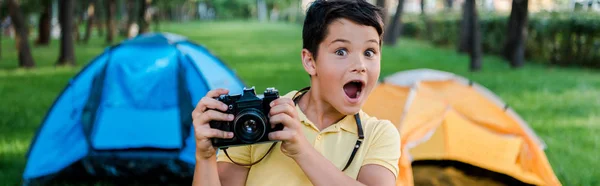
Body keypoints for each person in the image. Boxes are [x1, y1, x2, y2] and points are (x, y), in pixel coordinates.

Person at [191, 0, 401, 185]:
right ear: (310, 61)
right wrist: (205, 156)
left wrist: (302, 151)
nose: (360, 65)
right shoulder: (262, 119)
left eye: (370, 52)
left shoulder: (379, 135)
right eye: (341, 51)